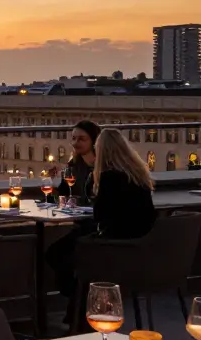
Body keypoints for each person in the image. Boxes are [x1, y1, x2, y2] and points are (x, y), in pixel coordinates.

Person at [46, 127, 155, 327]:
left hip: (113, 245)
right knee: (71, 247)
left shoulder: (109, 177)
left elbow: (100, 214)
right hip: (139, 246)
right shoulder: (139, 174)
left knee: (58, 252)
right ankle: (78, 309)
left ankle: (79, 304)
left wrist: (94, 178)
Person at [55, 120, 100, 206]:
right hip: (81, 217)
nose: (75, 143)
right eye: (73, 138)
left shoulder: (105, 166)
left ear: (94, 141)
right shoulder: (73, 165)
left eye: (81, 139)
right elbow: (62, 194)